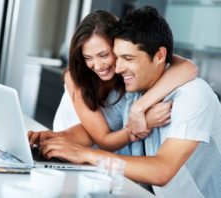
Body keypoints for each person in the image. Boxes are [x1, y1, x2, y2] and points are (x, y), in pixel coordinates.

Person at [39, 6, 221, 197]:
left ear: (159, 55)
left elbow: (162, 170)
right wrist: (49, 139)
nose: (117, 68)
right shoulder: (133, 93)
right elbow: (92, 132)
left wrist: (85, 154)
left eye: (127, 58)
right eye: (117, 57)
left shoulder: (193, 96)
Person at [29, 10, 198, 154]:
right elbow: (98, 136)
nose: (98, 65)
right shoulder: (77, 78)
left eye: (104, 55)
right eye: (88, 57)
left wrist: (138, 109)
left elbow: (188, 67)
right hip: (73, 143)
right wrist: (51, 138)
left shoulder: (128, 78)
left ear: (118, 46)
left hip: (103, 155)